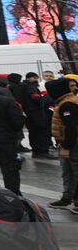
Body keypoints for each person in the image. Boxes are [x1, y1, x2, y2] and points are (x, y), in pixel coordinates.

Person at [46, 75, 78, 212]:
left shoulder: (67, 104)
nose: (75, 88)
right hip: (68, 143)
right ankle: (68, 197)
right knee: (68, 172)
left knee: (74, 172)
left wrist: (66, 147)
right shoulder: (64, 102)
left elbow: (72, 128)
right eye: (71, 86)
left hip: (73, 144)